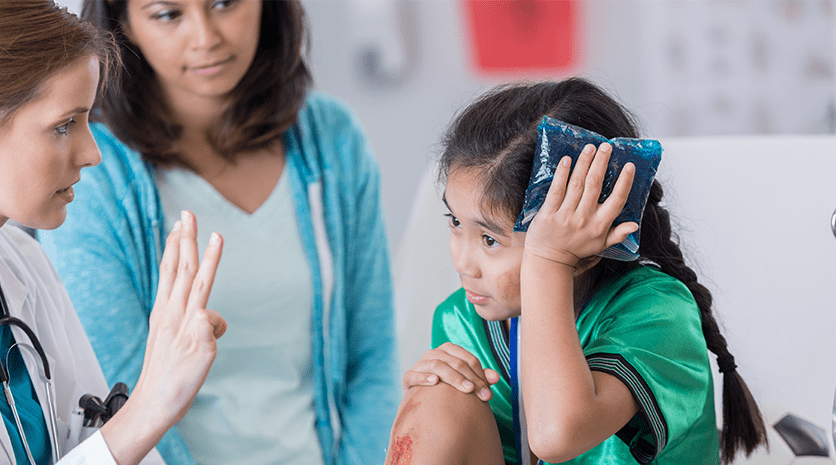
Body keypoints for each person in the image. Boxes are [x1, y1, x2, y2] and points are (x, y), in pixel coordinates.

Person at [38, 0, 398, 464]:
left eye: (224, 3)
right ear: (123, 22)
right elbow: (120, 394)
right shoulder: (90, 172)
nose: (206, 37)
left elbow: (374, 358)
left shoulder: (333, 139)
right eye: (168, 14)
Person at [387, 78, 768, 464]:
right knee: (436, 399)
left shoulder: (658, 313)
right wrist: (426, 406)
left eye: (490, 240)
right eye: (454, 222)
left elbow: (557, 435)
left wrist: (549, 260)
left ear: (586, 243)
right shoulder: (460, 320)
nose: (462, 262)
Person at [0, 1, 228, 464]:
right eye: (64, 125)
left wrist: (158, 390)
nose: (93, 153)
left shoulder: (24, 264)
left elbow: (91, 442)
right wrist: (151, 404)